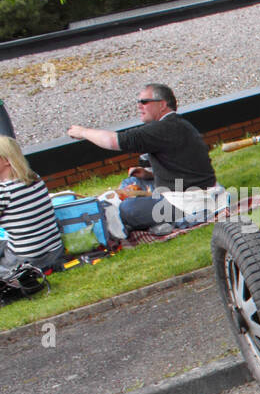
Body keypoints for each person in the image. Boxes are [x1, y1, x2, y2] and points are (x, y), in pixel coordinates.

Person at [67, 84, 223, 236]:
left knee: (126, 209)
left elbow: (114, 141)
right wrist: (150, 174)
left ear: (162, 105)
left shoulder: (162, 129)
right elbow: (185, 167)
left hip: (189, 202)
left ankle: (163, 222)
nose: (139, 106)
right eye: (138, 102)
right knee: (132, 184)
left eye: (144, 102)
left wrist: (83, 132)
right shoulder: (178, 124)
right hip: (194, 190)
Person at [0, 135, 63, 273]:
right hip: (55, 250)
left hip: (25, 257)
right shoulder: (35, 178)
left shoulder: (4, 191)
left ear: (6, 160)